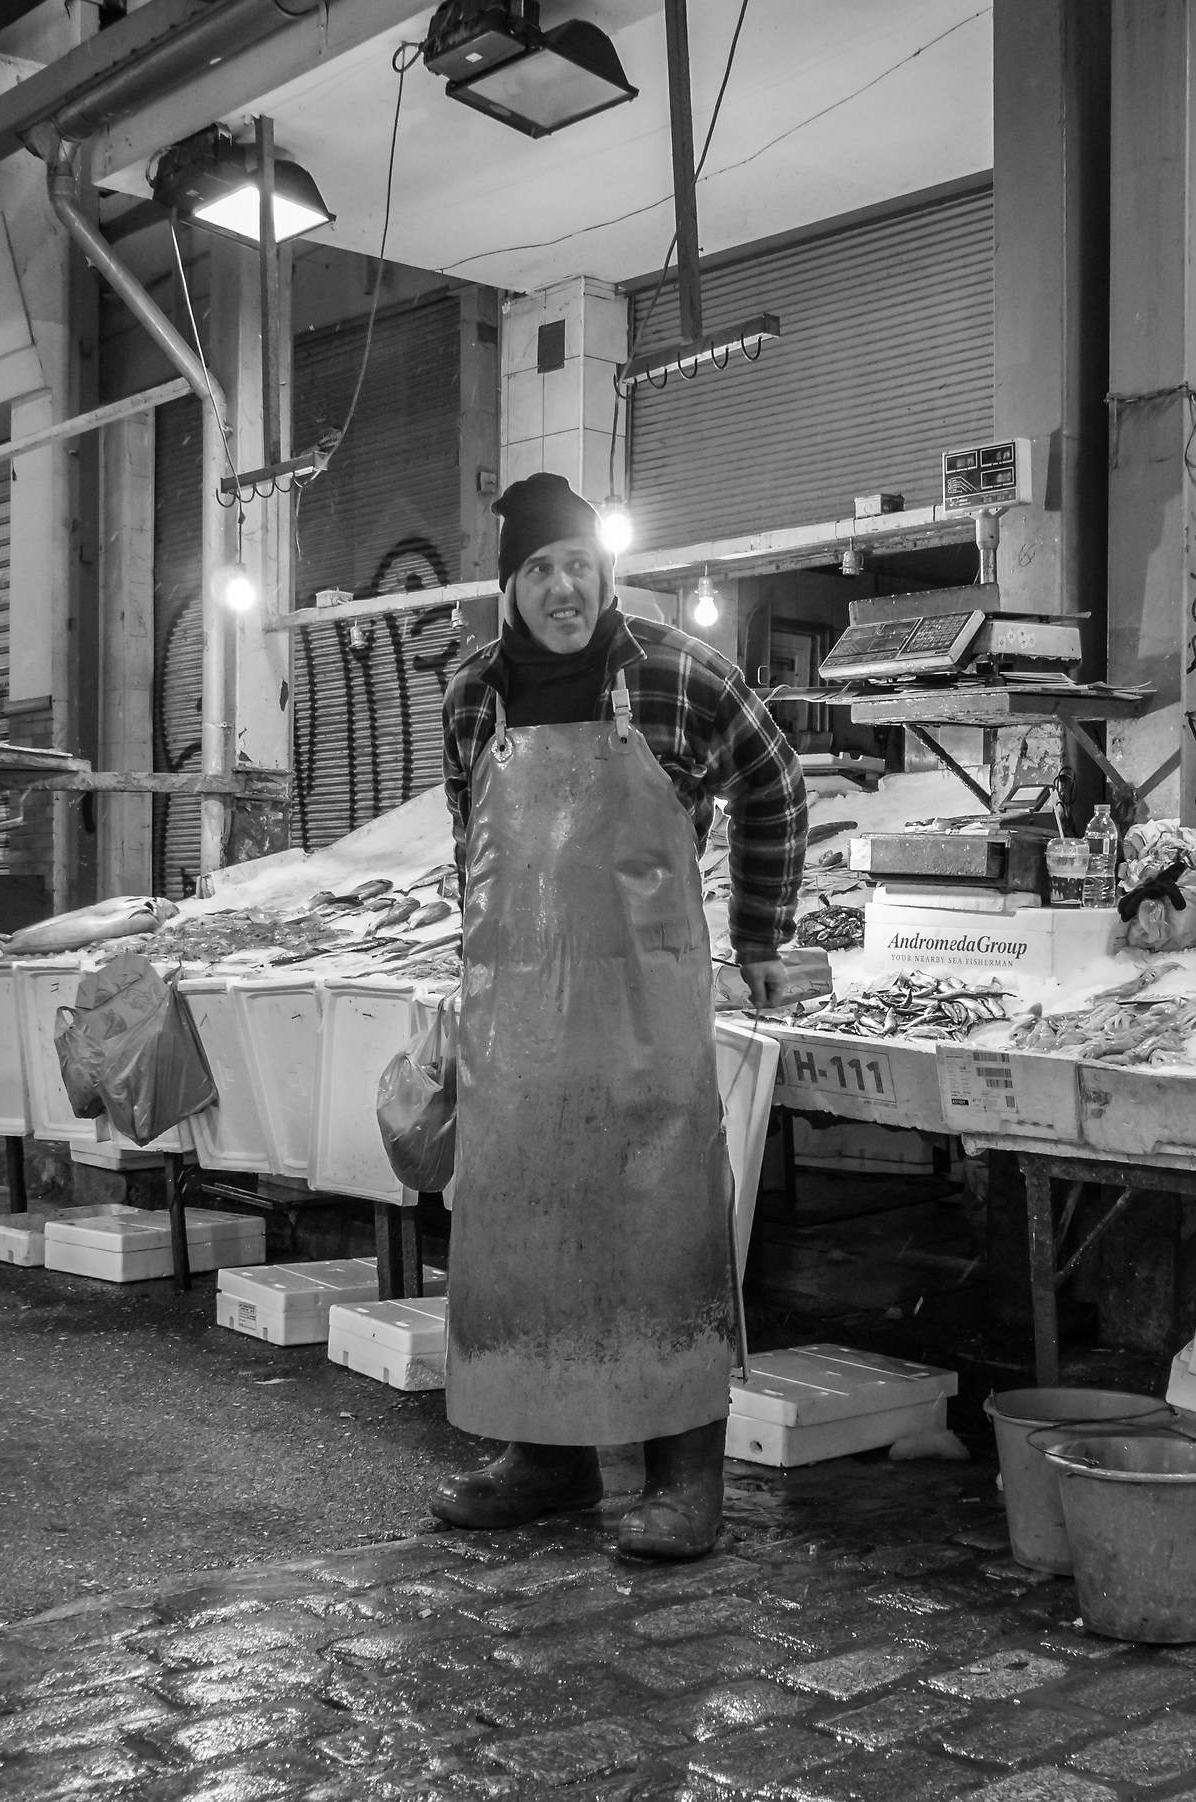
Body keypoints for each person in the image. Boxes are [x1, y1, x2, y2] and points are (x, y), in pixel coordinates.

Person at [428, 472, 807, 1560]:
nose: (563, 588)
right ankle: (540, 1459)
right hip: (520, 1023)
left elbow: (775, 780)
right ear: (510, 585)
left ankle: (688, 1478)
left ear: (606, 574)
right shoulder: (472, 699)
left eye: (579, 567)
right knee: (524, 1228)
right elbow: (473, 851)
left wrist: (763, 937)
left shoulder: (681, 676)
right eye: (540, 570)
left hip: (646, 1018)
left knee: (659, 1227)